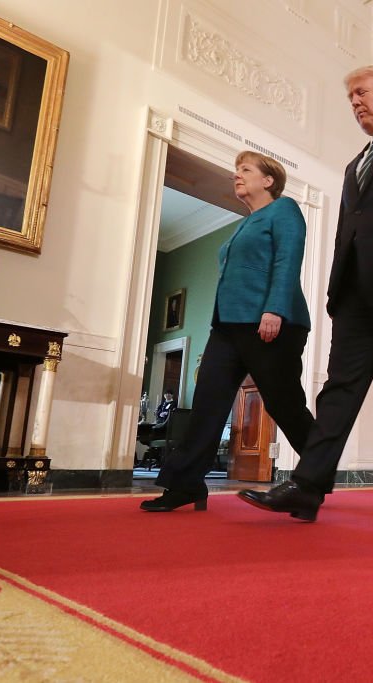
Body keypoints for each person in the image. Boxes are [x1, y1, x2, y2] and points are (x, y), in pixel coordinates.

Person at [239, 65, 373, 521]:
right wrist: (336, 288)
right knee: (337, 391)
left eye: (361, 93)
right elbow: (347, 229)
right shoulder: (354, 163)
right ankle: (307, 486)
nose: (355, 102)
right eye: (350, 98)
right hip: (356, 295)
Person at [141, 151, 313, 512]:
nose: (237, 175)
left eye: (245, 170)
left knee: (286, 407)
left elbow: (288, 260)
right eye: (236, 170)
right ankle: (184, 485)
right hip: (228, 327)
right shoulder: (244, 224)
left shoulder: (285, 210)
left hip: (271, 321)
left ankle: (316, 477)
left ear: (268, 180)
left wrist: (275, 308)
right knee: (207, 405)